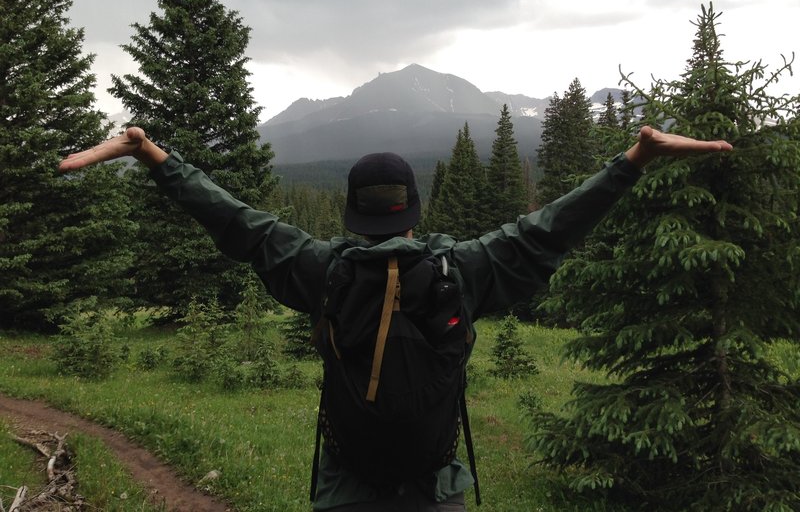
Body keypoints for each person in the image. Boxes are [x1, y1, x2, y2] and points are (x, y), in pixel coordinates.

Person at [59, 125, 732, 511]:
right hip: (435, 487)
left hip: (348, 487)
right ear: (412, 210)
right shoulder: (464, 270)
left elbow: (240, 224)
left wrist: (153, 156)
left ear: (354, 212)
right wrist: (633, 160)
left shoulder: (320, 269)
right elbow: (547, 231)